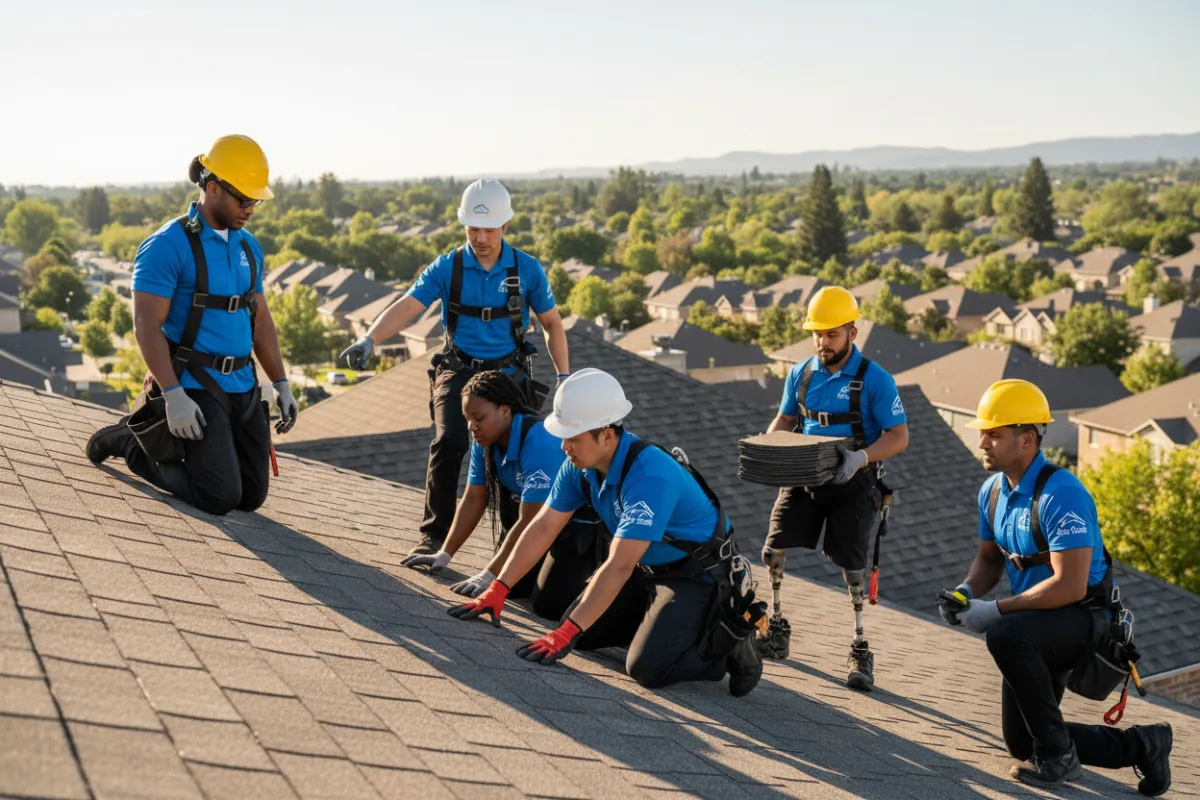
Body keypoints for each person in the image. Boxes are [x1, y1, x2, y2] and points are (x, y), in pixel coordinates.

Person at [446, 369, 764, 697]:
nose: (564, 446)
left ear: (607, 436)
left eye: (574, 437)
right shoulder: (578, 466)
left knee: (647, 668)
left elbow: (618, 566)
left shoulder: (649, 476)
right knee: (584, 633)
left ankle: (730, 644)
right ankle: (663, 625)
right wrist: (498, 588)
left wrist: (565, 633)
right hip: (646, 570)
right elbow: (543, 526)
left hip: (695, 575)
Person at [937, 379, 1172, 793]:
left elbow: (1071, 585)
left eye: (994, 433)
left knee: (1005, 634)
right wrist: (966, 593)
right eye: (983, 433)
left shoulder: (1061, 493)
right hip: (1036, 622)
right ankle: (1144, 745)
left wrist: (996, 611)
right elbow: (990, 562)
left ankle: (1061, 758)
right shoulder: (992, 493)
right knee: (1023, 743)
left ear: (1027, 439)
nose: (983, 442)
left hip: (1081, 619)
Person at [339, 179, 569, 558]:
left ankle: (513, 546)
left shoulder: (526, 270)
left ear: (505, 228)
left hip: (507, 376)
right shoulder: (449, 267)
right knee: (450, 441)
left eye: (488, 229)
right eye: (472, 228)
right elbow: (410, 305)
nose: (479, 237)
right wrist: (370, 338)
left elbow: (553, 324)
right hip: (459, 369)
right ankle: (434, 534)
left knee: (514, 452)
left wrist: (563, 377)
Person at [86, 135, 297, 515]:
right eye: (243, 200)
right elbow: (146, 326)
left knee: (250, 498)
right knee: (219, 497)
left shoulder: (249, 246)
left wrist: (281, 384)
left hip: (244, 386)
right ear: (212, 188)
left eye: (256, 201)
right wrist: (173, 395)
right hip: (196, 385)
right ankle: (132, 442)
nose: (251, 209)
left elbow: (261, 319)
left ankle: (188, 453)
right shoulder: (168, 244)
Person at [759, 285, 909, 692]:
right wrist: (772, 444)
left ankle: (861, 649)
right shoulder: (801, 373)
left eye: (832, 334)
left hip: (853, 483)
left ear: (852, 333)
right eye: (817, 334)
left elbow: (899, 436)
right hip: (806, 478)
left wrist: (861, 458)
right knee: (773, 548)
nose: (822, 342)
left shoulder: (874, 380)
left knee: (852, 568)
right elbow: (787, 419)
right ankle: (776, 628)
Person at [400, 370, 621, 621]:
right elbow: (474, 499)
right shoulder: (484, 442)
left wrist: (489, 574)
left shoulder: (540, 442)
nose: (472, 426)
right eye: (468, 418)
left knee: (549, 605)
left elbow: (532, 520)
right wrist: (445, 553)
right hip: (540, 529)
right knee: (516, 588)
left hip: (577, 528)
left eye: (479, 417)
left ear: (505, 411)